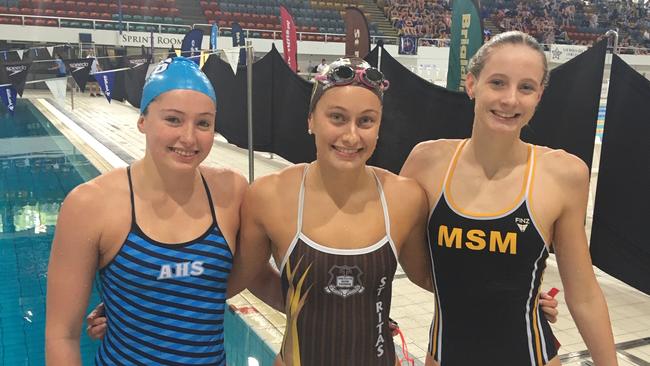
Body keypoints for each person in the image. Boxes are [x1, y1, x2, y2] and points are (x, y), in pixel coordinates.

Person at [85, 57, 560, 364]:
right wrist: (137, 305)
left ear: (377, 129)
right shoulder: (268, 195)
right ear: (311, 120)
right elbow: (239, 277)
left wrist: (512, 289)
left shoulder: (404, 196)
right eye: (337, 118)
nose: (351, 135)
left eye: (365, 122)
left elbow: (431, 276)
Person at [400, 31, 618, 366]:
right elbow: (406, 260)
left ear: (539, 96)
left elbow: (585, 294)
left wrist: (518, 297)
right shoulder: (426, 163)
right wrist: (491, 295)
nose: (510, 99)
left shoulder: (564, 174)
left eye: (526, 87)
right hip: (444, 356)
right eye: (498, 83)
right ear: (472, 85)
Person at [45, 57, 254, 365]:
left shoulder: (231, 191)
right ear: (142, 120)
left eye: (203, 123)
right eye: (173, 119)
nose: (189, 137)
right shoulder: (90, 205)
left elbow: (242, 278)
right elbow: (61, 336)